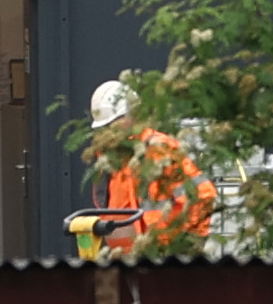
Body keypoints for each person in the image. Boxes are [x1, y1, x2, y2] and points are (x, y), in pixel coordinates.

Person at [71, 75, 214, 257]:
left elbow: (203, 195)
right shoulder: (110, 160)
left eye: (112, 123)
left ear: (131, 115)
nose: (108, 131)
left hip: (161, 258)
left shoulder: (157, 148)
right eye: (104, 126)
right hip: (125, 261)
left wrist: (184, 248)